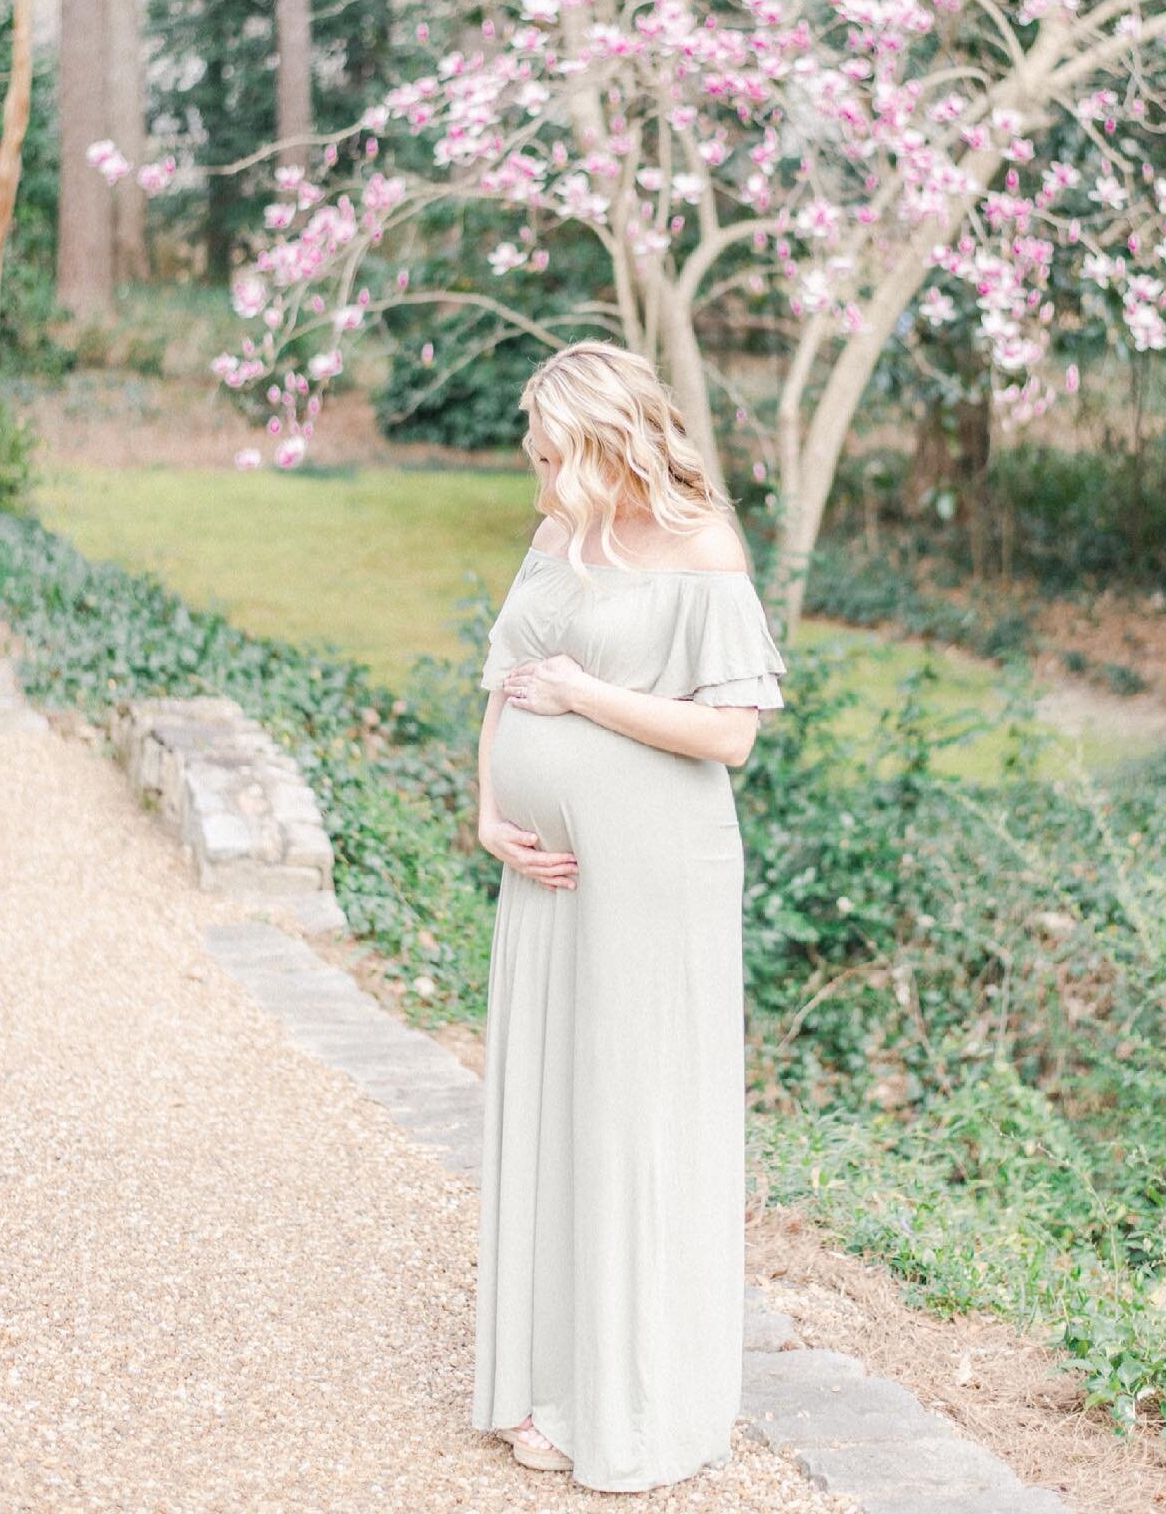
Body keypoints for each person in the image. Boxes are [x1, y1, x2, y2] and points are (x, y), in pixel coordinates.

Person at [469, 339, 789, 1493]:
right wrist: (490, 803)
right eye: (536, 455)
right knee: (555, 1110)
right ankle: (548, 1372)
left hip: (656, 876)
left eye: (555, 456)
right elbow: (507, 676)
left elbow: (731, 736)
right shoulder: (558, 536)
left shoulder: (703, 547)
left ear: (612, 444)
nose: (539, 478)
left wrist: (586, 696)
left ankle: (632, 1395)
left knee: (633, 1119)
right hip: (548, 873)